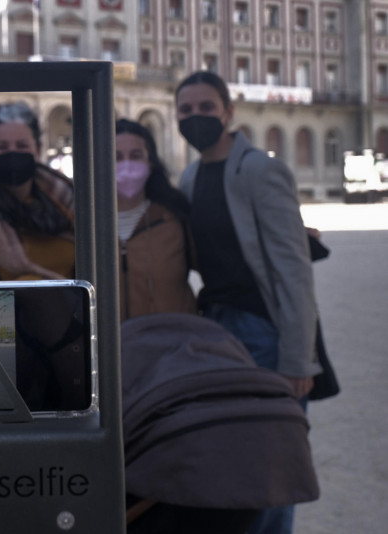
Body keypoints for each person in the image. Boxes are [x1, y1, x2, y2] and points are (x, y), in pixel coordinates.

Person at [175, 70, 321, 534]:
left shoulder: (260, 169)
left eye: (205, 108)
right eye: (186, 110)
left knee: (275, 455)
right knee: (236, 452)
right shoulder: (192, 175)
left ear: (228, 112)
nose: (195, 117)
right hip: (217, 329)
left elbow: (292, 269)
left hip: (263, 329)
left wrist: (299, 359)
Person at [0, 101, 75, 282]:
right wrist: (37, 284)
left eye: (22, 146)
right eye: (2, 147)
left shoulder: (66, 201)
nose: (12, 153)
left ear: (38, 150)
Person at [114, 118, 196, 320]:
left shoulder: (174, 218)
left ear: (150, 162)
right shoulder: (81, 224)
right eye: (116, 157)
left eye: (135, 156)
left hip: (171, 343)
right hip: (109, 347)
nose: (126, 165)